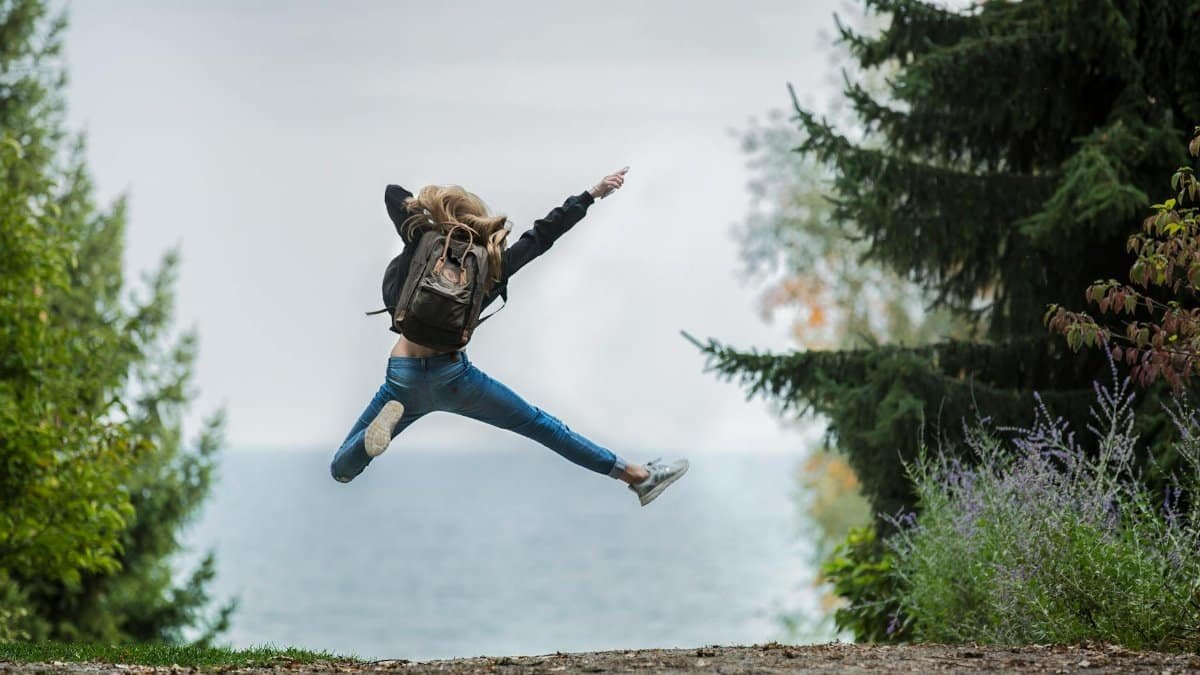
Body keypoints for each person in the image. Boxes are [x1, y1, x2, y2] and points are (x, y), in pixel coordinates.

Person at [330, 167, 689, 506]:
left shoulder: (422, 240)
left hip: (403, 376)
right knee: (543, 427)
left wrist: (432, 217)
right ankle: (638, 477)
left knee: (341, 470)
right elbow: (542, 236)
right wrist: (591, 195)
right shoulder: (490, 264)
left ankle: (368, 442)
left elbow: (394, 194)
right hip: (454, 378)